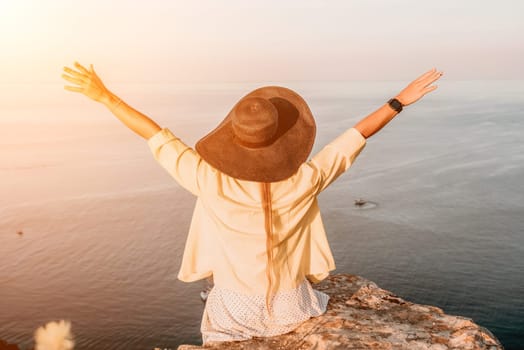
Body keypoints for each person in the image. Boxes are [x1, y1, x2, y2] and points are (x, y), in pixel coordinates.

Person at [62, 63, 443, 344]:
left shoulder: (209, 180)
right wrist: (398, 101)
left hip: (233, 309)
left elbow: (157, 135)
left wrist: (104, 96)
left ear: (234, 138)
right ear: (284, 139)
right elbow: (354, 137)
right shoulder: (304, 181)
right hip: (292, 305)